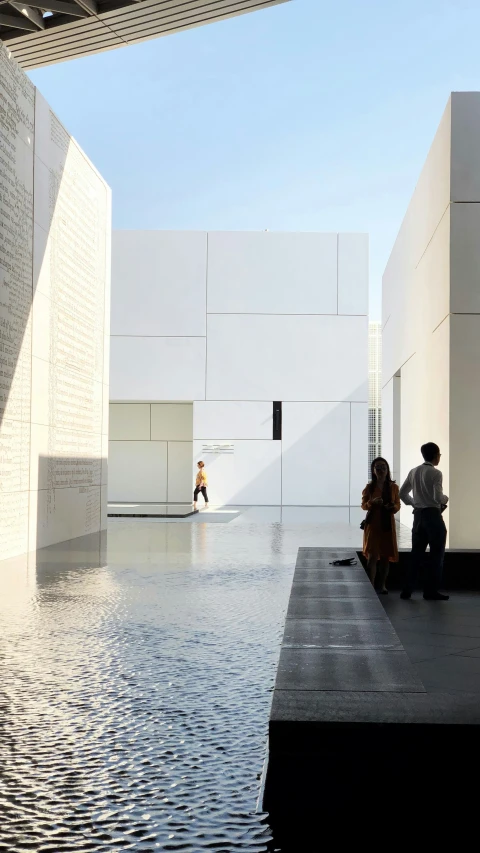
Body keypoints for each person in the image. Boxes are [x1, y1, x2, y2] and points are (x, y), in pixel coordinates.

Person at [399, 442, 449, 601]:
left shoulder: (413, 471)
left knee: (416, 554)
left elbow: (402, 493)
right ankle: (430, 591)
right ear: (436, 455)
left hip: (418, 516)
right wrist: (445, 499)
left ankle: (407, 589)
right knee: (436, 554)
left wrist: (414, 503)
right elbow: (437, 497)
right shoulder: (436, 473)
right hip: (433, 515)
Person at [361, 457, 400, 594]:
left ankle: (382, 585)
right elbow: (364, 506)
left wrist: (392, 506)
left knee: (385, 557)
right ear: (373, 470)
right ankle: (371, 585)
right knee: (372, 556)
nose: (381, 470)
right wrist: (372, 503)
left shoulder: (393, 487)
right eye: (377, 468)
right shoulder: (369, 488)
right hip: (373, 525)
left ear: (387, 469)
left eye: (383, 467)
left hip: (387, 524)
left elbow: (398, 505)